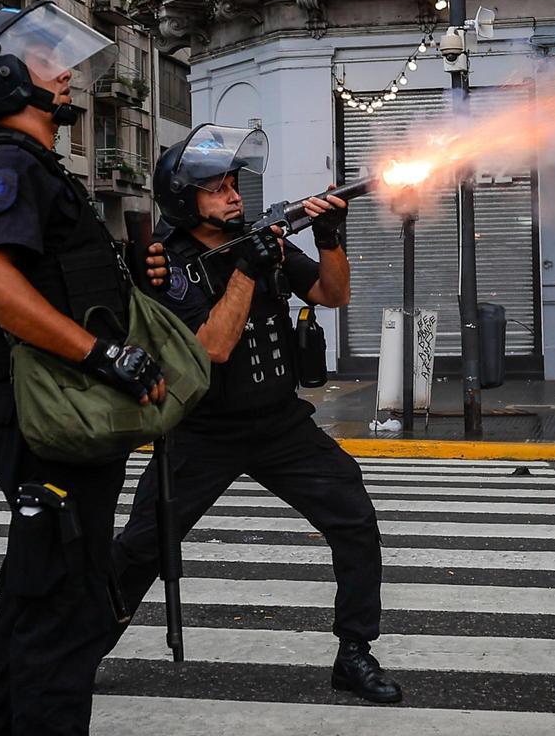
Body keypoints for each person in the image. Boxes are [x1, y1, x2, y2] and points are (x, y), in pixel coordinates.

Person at [0, 1, 166, 736]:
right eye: (45, 59)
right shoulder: (4, 162)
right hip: (52, 427)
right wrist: (101, 352)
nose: (65, 70)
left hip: (57, 427)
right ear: (3, 76)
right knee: (63, 617)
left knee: (29, 606)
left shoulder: (35, 164)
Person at [112, 125, 402, 705]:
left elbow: (331, 295)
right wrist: (245, 270)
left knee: (352, 514)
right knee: (145, 543)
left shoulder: (257, 238)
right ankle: (77, 648)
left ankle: (354, 652)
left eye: (233, 184)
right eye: (216, 188)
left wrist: (329, 237)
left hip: (278, 422)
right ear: (183, 199)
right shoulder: (165, 265)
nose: (233, 195)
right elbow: (211, 348)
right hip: (204, 429)